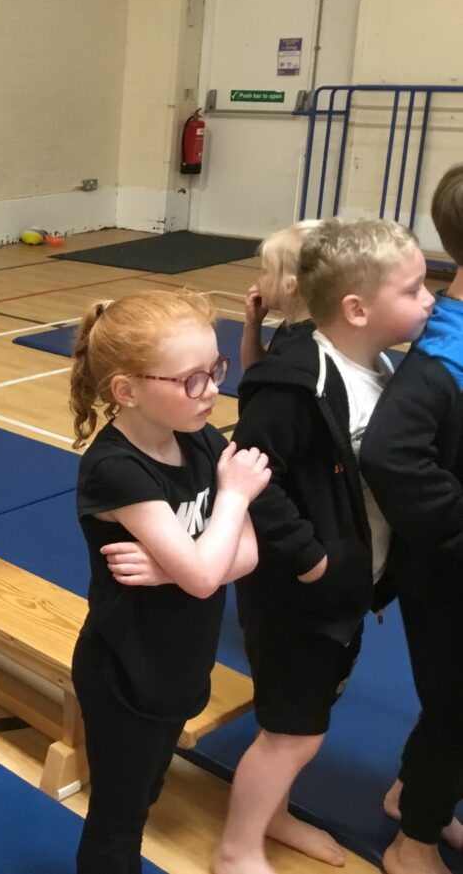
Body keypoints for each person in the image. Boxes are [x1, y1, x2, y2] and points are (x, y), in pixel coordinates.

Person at [216, 218, 435, 874]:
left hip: (343, 587)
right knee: (293, 734)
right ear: (357, 309)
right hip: (297, 597)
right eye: (414, 289)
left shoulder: (377, 366)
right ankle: (237, 848)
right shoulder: (296, 383)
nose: (430, 299)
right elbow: (251, 478)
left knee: (309, 717)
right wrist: (312, 560)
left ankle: (275, 814)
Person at [68, 290, 266, 873]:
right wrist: (232, 499)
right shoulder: (115, 468)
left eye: (215, 371)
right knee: (118, 820)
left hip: (180, 662)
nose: (212, 392)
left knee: (148, 791)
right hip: (125, 672)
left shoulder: (200, 437)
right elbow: (206, 575)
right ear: (126, 390)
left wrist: (169, 569)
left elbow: (249, 553)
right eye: (190, 380)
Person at [363, 165, 463, 874]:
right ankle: (414, 842)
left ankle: (411, 794)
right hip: (446, 568)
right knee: (460, 707)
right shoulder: (441, 358)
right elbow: (391, 456)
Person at [240, 220, 320, 370]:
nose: (259, 279)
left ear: (290, 285)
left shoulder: (299, 353)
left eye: (265, 272)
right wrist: (253, 324)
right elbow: (256, 371)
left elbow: (257, 375)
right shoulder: (298, 326)